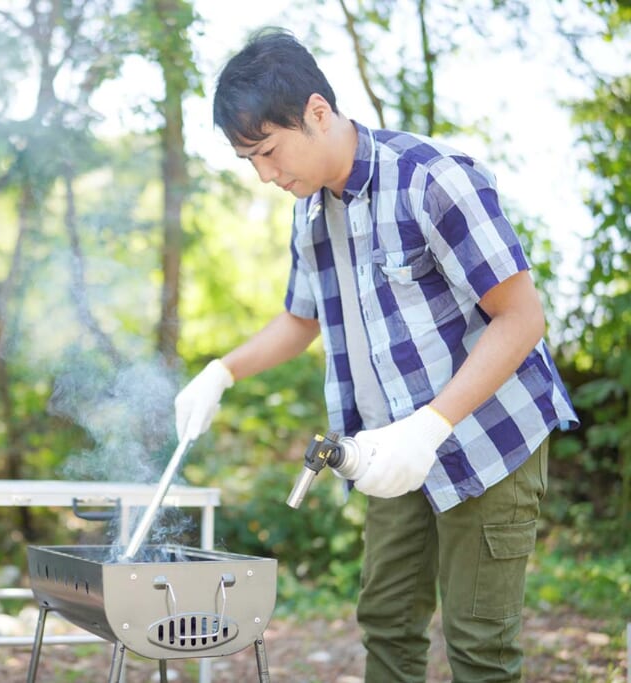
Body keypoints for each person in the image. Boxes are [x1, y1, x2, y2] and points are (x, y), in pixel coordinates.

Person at [174, 29, 579, 683]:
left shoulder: (431, 180)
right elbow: (299, 319)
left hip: (485, 439)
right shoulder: (309, 212)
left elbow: (523, 317)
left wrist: (431, 425)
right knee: (387, 624)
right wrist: (220, 371)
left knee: (478, 645)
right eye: (251, 161)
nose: (267, 176)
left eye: (269, 151)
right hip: (389, 452)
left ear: (317, 111)